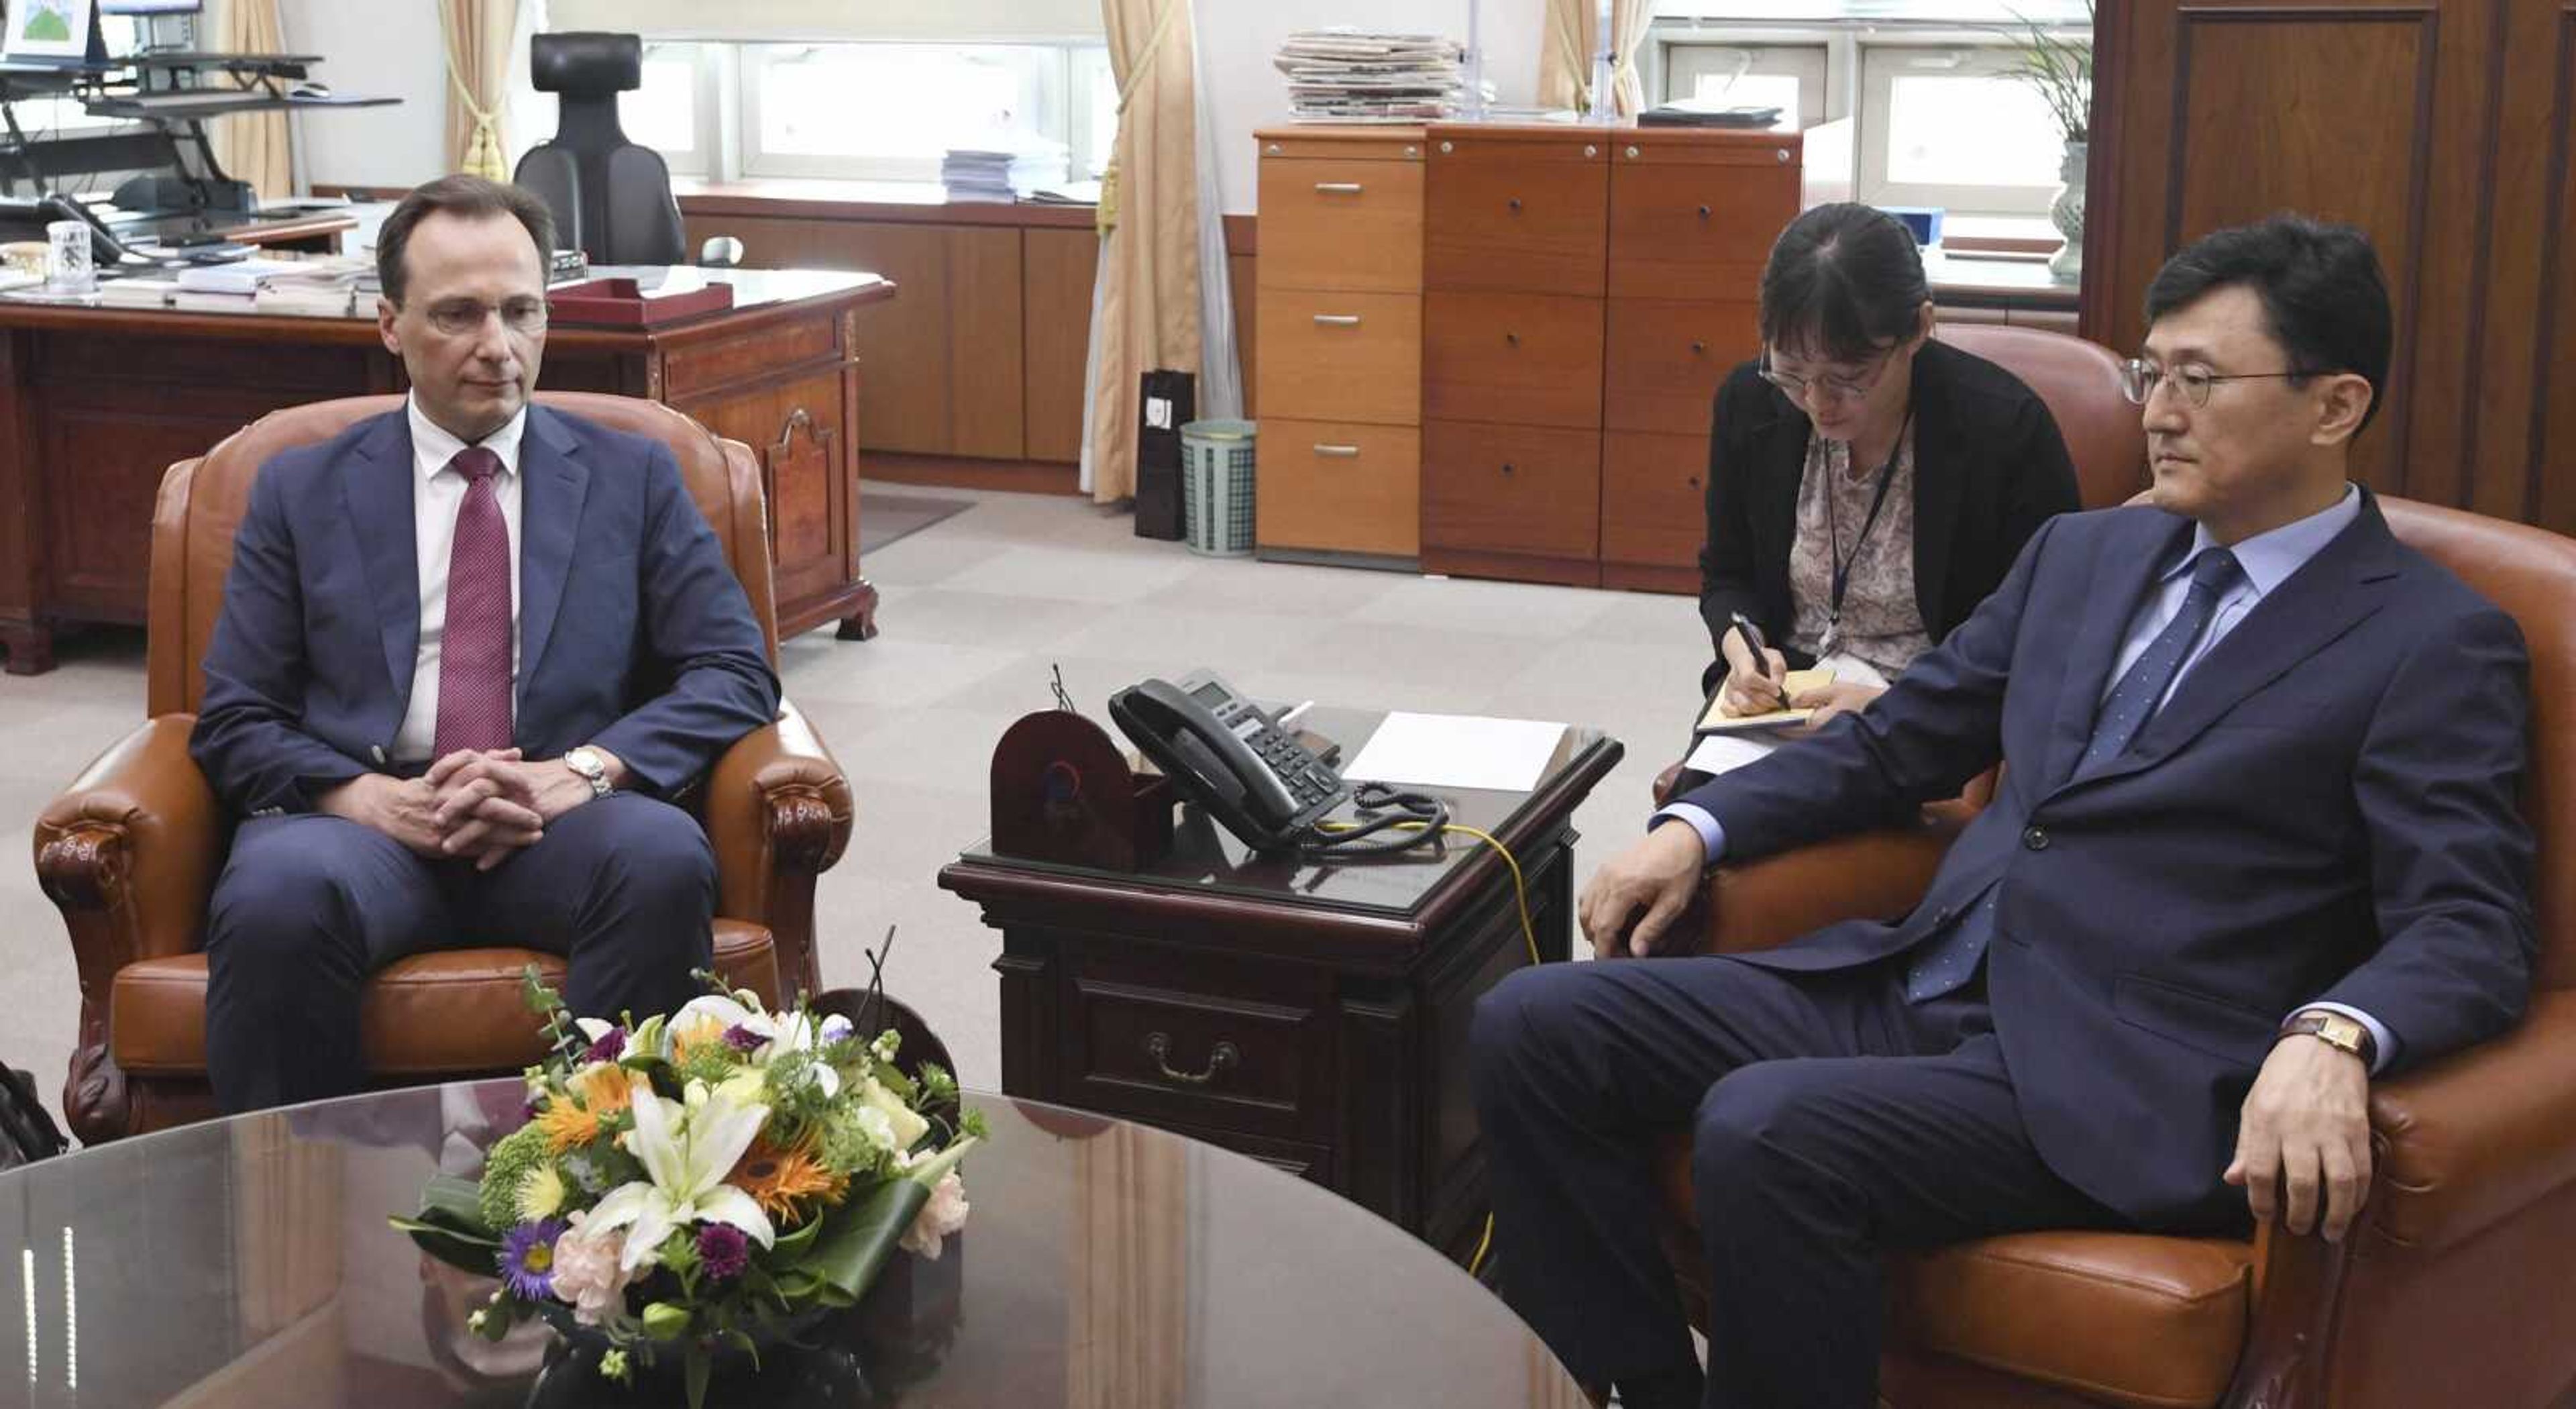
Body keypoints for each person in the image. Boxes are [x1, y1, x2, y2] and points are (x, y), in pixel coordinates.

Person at [1472, 213, 2534, 1409]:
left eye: (2200, 379)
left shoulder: (2431, 640)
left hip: (2117, 1068)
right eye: (2151, 371)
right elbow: (1897, 742)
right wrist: (1698, 828)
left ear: (2334, 406)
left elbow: (2469, 921)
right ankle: (1641, 1389)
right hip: (1920, 979)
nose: (2159, 411)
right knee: (1532, 1025)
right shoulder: (2086, 556)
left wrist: (2335, 1032)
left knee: (1765, 1128)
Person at [191, 175, 781, 1112]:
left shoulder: (635, 476)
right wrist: (369, 799)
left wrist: (579, 773)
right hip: (363, 829)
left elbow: (736, 670)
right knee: (276, 895)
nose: (497, 348)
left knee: (661, 857)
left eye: (521, 312)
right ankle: (295, 1219)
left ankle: (606, 1216)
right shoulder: (298, 490)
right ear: (390, 323)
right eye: (458, 315)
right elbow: (235, 717)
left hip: (563, 816)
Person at [1699, 203, 2080, 732]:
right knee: (1695, 806)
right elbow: (1727, 574)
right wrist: (1742, 643)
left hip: (1926, 707)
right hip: (1784, 694)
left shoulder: (2003, 431)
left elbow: (2039, 627)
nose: (1816, 401)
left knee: (1768, 810)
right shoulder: (1751, 403)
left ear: (1920, 328)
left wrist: (1893, 707)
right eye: (1791, 372)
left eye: (1848, 376)